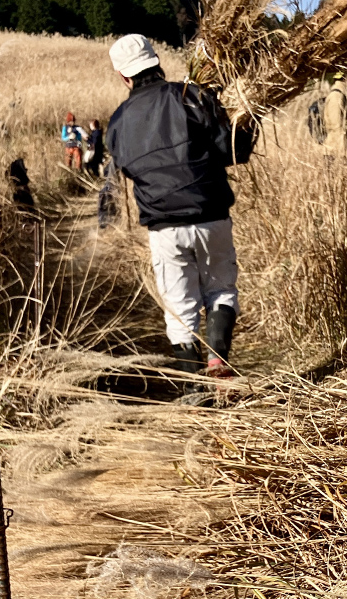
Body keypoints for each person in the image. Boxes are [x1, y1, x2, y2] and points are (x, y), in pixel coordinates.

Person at [104, 33, 255, 380]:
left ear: (123, 76)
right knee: (221, 290)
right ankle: (217, 362)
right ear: (156, 62)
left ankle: (194, 390)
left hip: (164, 226)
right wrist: (247, 121)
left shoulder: (118, 121)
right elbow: (230, 150)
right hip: (211, 216)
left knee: (179, 309)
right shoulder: (191, 96)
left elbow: (127, 168)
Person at [323, 72, 347, 156]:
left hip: (338, 150)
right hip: (335, 152)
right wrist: (343, 153)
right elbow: (337, 127)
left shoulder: (343, 95)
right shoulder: (336, 97)